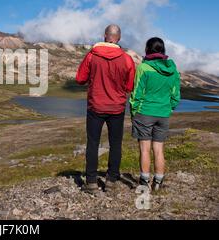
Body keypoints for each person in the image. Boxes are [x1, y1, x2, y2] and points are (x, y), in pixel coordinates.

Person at [76, 24, 136, 194]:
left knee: (93, 143)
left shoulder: (92, 56)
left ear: (104, 36)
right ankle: (111, 181)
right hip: (117, 108)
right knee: (116, 144)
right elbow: (130, 85)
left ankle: (91, 182)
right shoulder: (126, 59)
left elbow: (80, 79)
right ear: (119, 38)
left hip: (96, 106)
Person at [129, 37, 180, 192]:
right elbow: (175, 94)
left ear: (147, 49)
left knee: (144, 149)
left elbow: (136, 93)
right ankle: (158, 182)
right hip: (163, 114)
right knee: (159, 149)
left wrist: (133, 111)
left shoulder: (144, 68)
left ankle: (144, 181)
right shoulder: (172, 68)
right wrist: (169, 108)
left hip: (144, 113)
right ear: (162, 50)